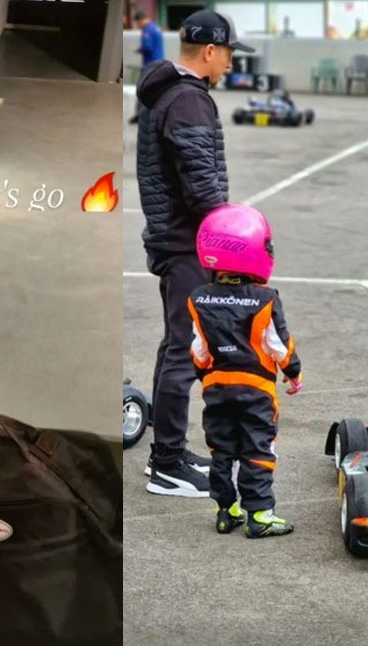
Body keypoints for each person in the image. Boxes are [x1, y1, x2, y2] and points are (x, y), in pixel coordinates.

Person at [136, 11, 254, 497]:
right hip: (187, 243)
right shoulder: (188, 99)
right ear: (209, 51)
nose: (230, 63)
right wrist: (233, 234)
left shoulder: (169, 92)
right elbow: (201, 184)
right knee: (184, 352)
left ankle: (168, 452)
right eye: (228, 54)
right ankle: (167, 464)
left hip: (175, 238)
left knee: (175, 346)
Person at [189, 204, 302, 537]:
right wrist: (293, 371)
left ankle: (226, 511)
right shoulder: (264, 299)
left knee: (221, 449)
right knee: (257, 449)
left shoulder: (199, 298)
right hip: (256, 390)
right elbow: (279, 344)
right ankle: (260, 514)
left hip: (216, 387)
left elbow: (198, 349)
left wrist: (206, 375)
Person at [129, 10, 165, 125]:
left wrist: (138, 49)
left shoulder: (147, 30)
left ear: (140, 20)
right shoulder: (156, 28)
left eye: (137, 23)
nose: (137, 26)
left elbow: (148, 47)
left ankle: (140, 115)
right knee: (155, 90)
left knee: (143, 89)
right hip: (159, 63)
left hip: (150, 65)